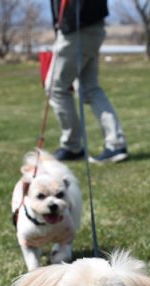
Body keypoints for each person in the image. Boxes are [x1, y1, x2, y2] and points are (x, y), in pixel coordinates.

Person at [46, 0, 128, 164]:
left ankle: (72, 145)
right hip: (90, 26)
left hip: (78, 28)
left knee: (55, 88)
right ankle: (115, 144)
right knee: (90, 88)